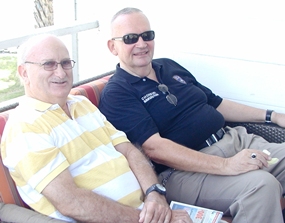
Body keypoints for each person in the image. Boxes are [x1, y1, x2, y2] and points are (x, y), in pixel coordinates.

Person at [98, 7, 285, 223]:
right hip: (183, 172)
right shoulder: (117, 92)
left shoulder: (168, 66)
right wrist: (227, 165)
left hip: (234, 140)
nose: (141, 44)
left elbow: (216, 103)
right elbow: (154, 148)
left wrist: (273, 116)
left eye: (147, 36)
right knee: (261, 186)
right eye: (130, 38)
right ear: (113, 46)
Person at [0, 34, 192, 223]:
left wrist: (154, 193)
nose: (60, 72)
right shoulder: (24, 127)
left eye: (66, 63)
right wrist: (148, 219)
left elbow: (129, 151)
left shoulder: (81, 103)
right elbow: (71, 202)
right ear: (24, 72)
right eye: (48, 64)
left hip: (146, 210)